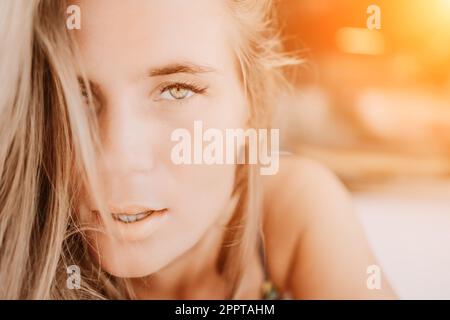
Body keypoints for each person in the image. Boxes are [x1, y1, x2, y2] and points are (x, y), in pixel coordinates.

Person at [0, 0, 396, 299]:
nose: (116, 159)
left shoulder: (290, 211)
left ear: (253, 106)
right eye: (78, 96)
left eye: (177, 90)